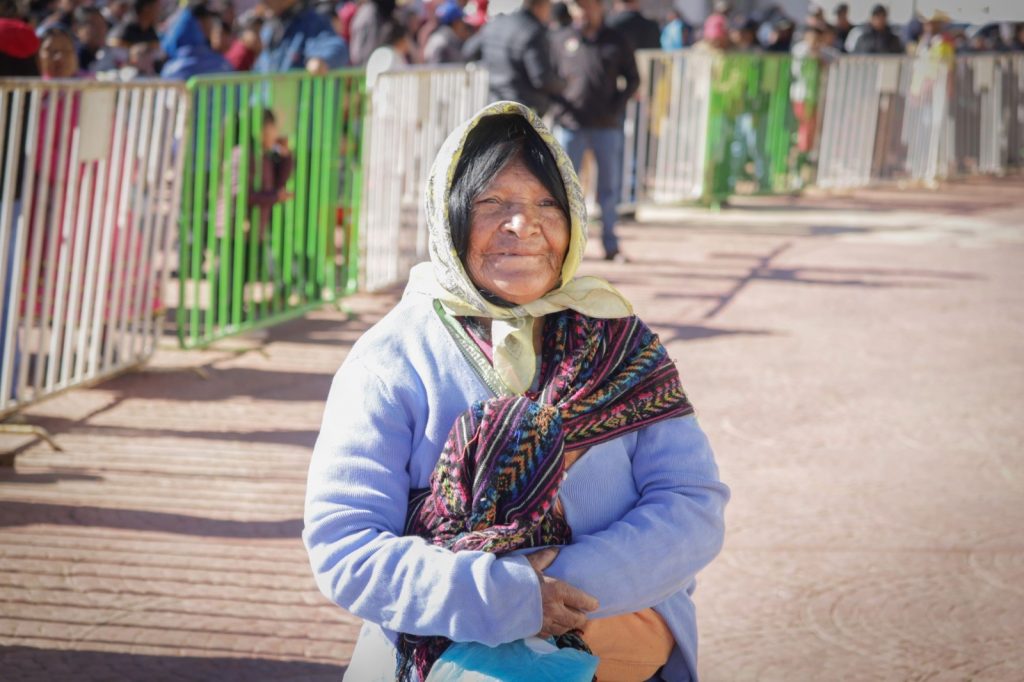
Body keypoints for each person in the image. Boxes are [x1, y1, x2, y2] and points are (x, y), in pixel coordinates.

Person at [303, 100, 729, 682]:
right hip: (444, 654)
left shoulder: (620, 343)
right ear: (450, 215)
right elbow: (347, 546)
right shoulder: (392, 359)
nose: (523, 225)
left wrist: (562, 590)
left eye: (547, 204)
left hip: (623, 643)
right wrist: (507, 599)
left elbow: (690, 501)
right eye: (492, 203)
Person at [548, 0, 637, 262]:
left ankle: (611, 244)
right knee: (565, 189)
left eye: (587, 5)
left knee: (608, 189)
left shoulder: (616, 40)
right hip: (570, 126)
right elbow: (548, 78)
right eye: (578, 6)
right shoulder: (561, 39)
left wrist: (616, 108)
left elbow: (633, 78)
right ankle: (564, 249)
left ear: (599, 7)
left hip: (606, 127)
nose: (583, 11)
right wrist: (559, 110)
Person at [462, 0, 563, 117]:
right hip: (524, 110)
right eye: (549, 7)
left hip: (495, 104)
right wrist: (564, 84)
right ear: (540, 6)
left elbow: (468, 51)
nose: (550, 13)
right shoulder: (533, 29)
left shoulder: (496, 23)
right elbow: (542, 78)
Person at [255, 0, 349, 73]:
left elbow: (336, 46)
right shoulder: (269, 28)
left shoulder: (312, 22)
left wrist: (320, 60)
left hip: (300, 92)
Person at [159, 2, 233, 79]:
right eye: (209, 20)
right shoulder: (220, 64)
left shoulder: (170, 67)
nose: (211, 25)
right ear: (201, 22)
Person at [364, 17, 411, 88]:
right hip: (389, 93)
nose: (407, 45)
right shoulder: (393, 55)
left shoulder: (379, 52)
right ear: (400, 40)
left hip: (374, 93)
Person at [72, 6, 108, 71]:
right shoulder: (73, 57)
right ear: (77, 29)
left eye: (102, 24)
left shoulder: (108, 53)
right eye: (93, 25)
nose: (100, 30)